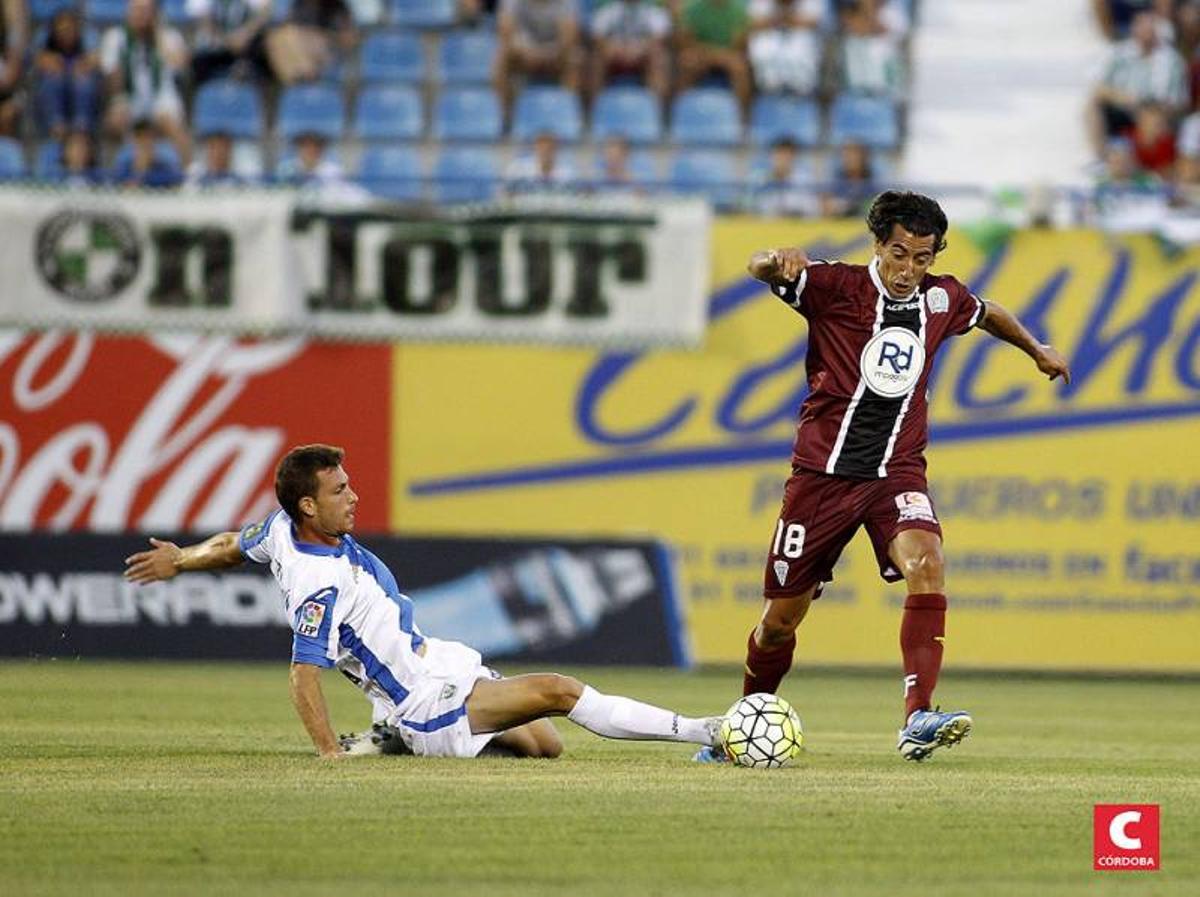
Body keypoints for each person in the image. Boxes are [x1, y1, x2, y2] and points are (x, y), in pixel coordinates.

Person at [693, 191, 1072, 764]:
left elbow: (986, 311)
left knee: (928, 562)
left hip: (896, 473)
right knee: (779, 623)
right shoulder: (835, 287)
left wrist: (1036, 348)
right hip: (822, 479)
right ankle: (739, 729)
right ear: (877, 245)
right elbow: (758, 268)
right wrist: (774, 259)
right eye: (899, 254)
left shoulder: (941, 298)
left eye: (922, 258)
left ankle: (917, 716)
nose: (907, 270)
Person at [123, 444, 724, 760]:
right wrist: (328, 754)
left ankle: (393, 739)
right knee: (560, 691)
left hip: (435, 663)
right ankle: (705, 731)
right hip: (423, 702)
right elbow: (304, 674)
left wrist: (182, 560)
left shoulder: (280, 529)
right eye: (340, 491)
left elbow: (233, 544)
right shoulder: (316, 583)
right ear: (308, 505)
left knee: (546, 745)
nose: (354, 497)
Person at [100, 0, 191, 164]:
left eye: (145, 10)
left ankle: (190, 170)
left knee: (171, 121)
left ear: (155, 13)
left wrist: (157, 35)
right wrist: (119, 100)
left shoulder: (169, 36)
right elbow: (112, 76)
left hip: (162, 96)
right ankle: (111, 170)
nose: (141, 15)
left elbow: (180, 65)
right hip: (129, 96)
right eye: (136, 10)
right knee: (115, 119)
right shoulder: (116, 37)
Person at [34, 8, 100, 139]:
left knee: (84, 82)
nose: (66, 34)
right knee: (52, 80)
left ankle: (81, 127)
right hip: (57, 85)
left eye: (70, 29)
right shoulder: (46, 41)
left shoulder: (86, 40)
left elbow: (94, 60)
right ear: (55, 31)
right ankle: (56, 126)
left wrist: (78, 67)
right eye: (62, 30)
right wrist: (62, 67)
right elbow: (40, 60)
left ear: (77, 29)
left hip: (78, 85)